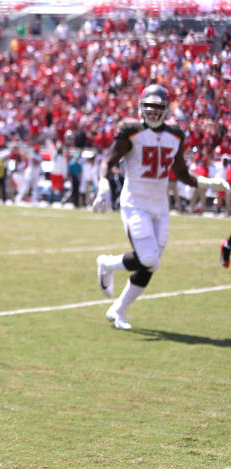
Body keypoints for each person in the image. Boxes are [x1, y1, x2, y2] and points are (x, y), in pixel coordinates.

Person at [94, 85, 229, 330]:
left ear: (165, 110)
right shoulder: (131, 131)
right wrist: (103, 184)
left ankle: (118, 310)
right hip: (135, 203)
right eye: (149, 107)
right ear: (141, 108)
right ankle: (106, 263)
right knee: (148, 258)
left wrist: (208, 183)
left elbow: (181, 173)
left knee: (151, 264)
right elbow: (108, 161)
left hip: (160, 206)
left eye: (158, 108)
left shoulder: (175, 134)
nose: (153, 113)